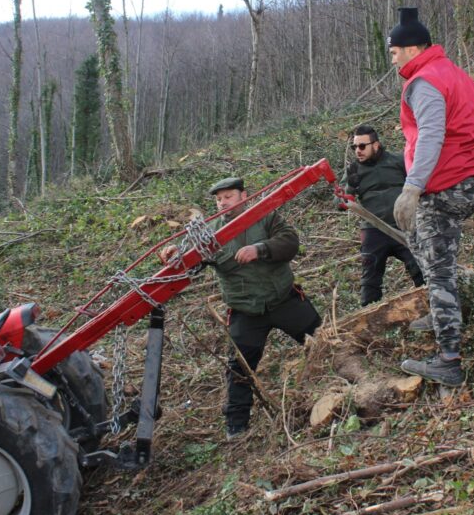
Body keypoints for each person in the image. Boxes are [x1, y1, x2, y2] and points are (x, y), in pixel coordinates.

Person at [159, 177, 320, 441]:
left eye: (228, 197)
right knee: (239, 369)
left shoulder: (266, 216)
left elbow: (290, 242)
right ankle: (237, 425)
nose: (222, 203)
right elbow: (192, 261)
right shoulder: (209, 231)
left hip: (284, 301)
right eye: (218, 199)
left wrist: (260, 249)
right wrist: (177, 254)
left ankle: (341, 383)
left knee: (322, 341)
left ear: (243, 196)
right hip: (246, 312)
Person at [387, 7, 474, 388]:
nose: (392, 55)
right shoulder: (453, 73)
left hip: (444, 184)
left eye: (395, 49)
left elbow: (432, 134)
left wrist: (413, 186)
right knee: (419, 241)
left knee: (439, 269)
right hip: (466, 179)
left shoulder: (425, 81)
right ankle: (440, 308)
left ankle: (449, 358)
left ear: (412, 48)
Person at [339, 125, 425, 306]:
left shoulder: (398, 160)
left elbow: (420, 182)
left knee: (421, 268)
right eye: (355, 147)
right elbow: (340, 202)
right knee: (370, 279)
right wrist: (350, 187)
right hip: (373, 229)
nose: (358, 151)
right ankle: (368, 320)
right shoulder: (354, 170)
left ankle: (431, 307)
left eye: (362, 146)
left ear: (376, 145)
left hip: (404, 224)